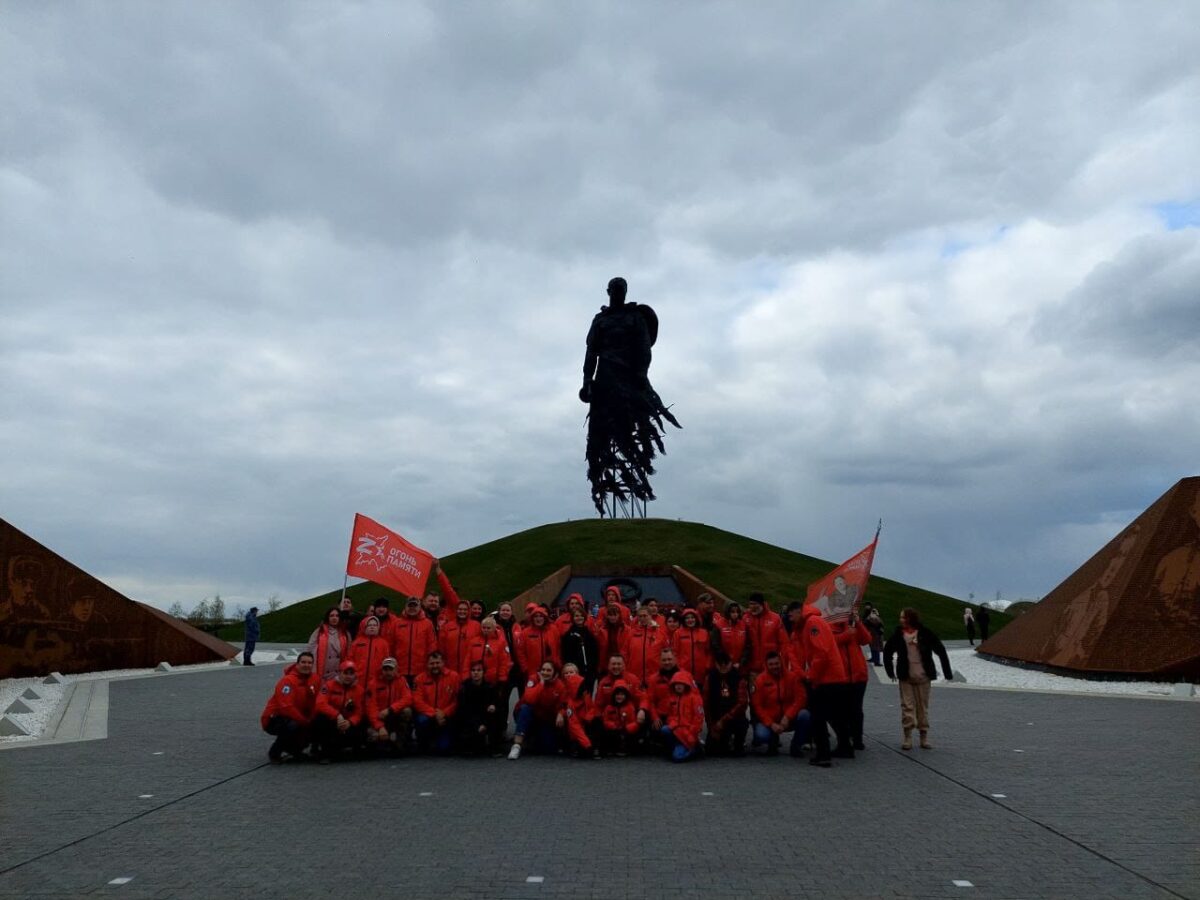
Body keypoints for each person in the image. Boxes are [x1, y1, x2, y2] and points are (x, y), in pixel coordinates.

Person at [883, 607, 953, 751]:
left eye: (903, 617)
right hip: (905, 676)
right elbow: (887, 651)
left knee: (922, 707)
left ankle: (924, 736)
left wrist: (947, 673)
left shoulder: (925, 633)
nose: (900, 620)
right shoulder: (898, 634)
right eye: (900, 617)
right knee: (907, 707)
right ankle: (907, 736)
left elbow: (940, 650)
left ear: (910, 618)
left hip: (923, 676)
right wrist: (890, 671)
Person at [799, 604, 851, 767]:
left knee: (818, 717)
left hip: (826, 679)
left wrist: (811, 677)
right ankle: (845, 747)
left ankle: (823, 755)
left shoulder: (812, 623)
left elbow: (820, 653)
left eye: (791, 616)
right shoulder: (818, 621)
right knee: (835, 715)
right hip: (835, 677)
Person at [261, 651, 317, 762]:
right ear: (297, 664)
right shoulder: (287, 681)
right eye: (303, 662)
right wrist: (304, 721)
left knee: (315, 724)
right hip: (274, 718)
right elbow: (286, 707)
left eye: (310, 663)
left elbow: (316, 700)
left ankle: (294, 750)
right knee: (292, 725)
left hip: (298, 716)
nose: (306, 665)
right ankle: (275, 752)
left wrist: (312, 718)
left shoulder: (315, 679)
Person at [749, 651, 808, 757]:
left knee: (805, 715)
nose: (774, 666)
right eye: (771, 664)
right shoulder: (760, 680)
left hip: (788, 719)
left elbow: (801, 699)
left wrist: (788, 716)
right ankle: (773, 741)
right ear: (766, 665)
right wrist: (771, 723)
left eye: (776, 663)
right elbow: (757, 706)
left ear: (781, 662)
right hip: (770, 721)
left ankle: (796, 745)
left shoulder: (793, 677)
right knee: (761, 734)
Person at [509, 660, 567, 759]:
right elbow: (529, 699)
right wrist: (541, 683)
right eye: (543, 670)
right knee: (526, 708)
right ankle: (517, 744)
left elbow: (563, 704)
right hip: (525, 714)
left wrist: (561, 713)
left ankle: (531, 738)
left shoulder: (560, 685)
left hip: (544, 718)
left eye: (549, 670)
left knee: (548, 749)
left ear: (555, 673)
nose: (545, 672)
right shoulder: (533, 679)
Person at [312, 661, 366, 763]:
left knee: (363, 723)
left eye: (351, 673)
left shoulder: (359, 690)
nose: (348, 676)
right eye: (345, 673)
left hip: (347, 723)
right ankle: (324, 752)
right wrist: (337, 715)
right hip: (332, 720)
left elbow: (359, 712)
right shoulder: (328, 685)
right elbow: (320, 704)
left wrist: (349, 722)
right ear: (340, 673)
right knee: (320, 719)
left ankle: (351, 749)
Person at [833, 613, 872, 751]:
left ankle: (857, 738)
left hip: (858, 674)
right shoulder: (831, 625)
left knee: (856, 708)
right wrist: (846, 634)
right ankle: (845, 736)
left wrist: (858, 622)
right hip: (842, 675)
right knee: (843, 708)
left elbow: (866, 639)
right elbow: (831, 642)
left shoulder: (853, 625)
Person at [412, 651, 461, 754]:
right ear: (427, 664)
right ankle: (424, 742)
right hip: (428, 716)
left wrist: (444, 713)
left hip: (446, 718)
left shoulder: (454, 676)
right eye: (432, 663)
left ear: (443, 663)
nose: (435, 666)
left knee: (444, 749)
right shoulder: (419, 679)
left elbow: (457, 700)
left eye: (437, 663)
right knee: (421, 720)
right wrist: (435, 713)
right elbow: (417, 701)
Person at [703, 651, 749, 757]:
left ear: (731, 663)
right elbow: (706, 705)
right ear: (715, 664)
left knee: (742, 723)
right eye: (720, 664)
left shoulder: (739, 678)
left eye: (726, 663)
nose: (723, 666)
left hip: (733, 717)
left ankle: (738, 743)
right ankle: (726, 740)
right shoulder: (709, 678)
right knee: (711, 751)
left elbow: (742, 704)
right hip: (716, 718)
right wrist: (711, 727)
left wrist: (723, 721)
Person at [365, 657, 413, 755]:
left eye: (390, 669)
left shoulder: (401, 680)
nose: (388, 672)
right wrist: (380, 727)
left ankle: (399, 740)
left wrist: (390, 709)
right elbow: (371, 708)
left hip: (394, 716)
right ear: (381, 670)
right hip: (379, 719)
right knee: (373, 739)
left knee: (407, 711)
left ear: (396, 670)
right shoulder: (373, 683)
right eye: (385, 669)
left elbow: (408, 698)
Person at [457, 660, 504, 757]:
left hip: (486, 720)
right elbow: (464, 711)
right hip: (471, 721)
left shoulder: (490, 688)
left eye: (479, 670)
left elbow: (499, 705)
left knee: (496, 715)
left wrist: (493, 709)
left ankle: (494, 746)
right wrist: (477, 725)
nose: (476, 673)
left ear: (483, 673)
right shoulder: (465, 688)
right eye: (473, 670)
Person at [391, 596, 437, 686]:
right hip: (400, 671)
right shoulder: (396, 623)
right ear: (405, 607)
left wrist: (430, 665)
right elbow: (391, 645)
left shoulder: (427, 623)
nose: (412, 608)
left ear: (420, 607)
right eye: (410, 606)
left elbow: (432, 646)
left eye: (415, 606)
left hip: (421, 670)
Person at [660, 672, 704, 762]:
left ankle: (695, 748)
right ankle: (678, 746)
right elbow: (670, 716)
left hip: (689, 732)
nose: (678, 686)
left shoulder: (694, 698)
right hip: (677, 729)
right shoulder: (672, 698)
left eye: (681, 684)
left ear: (686, 684)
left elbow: (698, 719)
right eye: (676, 684)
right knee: (665, 729)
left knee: (678, 757)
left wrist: (691, 733)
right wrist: (673, 724)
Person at [514, 605, 560, 688]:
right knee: (534, 695)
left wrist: (558, 665)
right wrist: (525, 669)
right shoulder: (525, 633)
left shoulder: (553, 630)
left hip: (551, 670)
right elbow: (520, 652)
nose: (538, 619)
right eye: (536, 616)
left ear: (545, 617)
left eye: (541, 616)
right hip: (532, 671)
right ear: (532, 618)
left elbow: (558, 648)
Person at [560, 662, 599, 758]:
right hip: (572, 726)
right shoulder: (564, 693)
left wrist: (588, 718)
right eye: (566, 673)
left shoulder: (584, 692)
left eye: (571, 672)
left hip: (583, 723)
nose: (569, 675)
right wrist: (587, 745)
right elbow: (574, 724)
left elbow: (592, 708)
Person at [745, 592, 784, 682]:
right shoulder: (745, 618)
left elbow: (784, 643)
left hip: (771, 667)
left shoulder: (775, 618)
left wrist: (782, 664)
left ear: (762, 604)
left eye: (755, 604)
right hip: (752, 669)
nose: (752, 607)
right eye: (750, 604)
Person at [626, 604, 667, 685]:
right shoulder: (631, 634)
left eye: (645, 616)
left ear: (650, 616)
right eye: (640, 616)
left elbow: (666, 653)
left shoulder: (660, 633)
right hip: (635, 676)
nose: (642, 618)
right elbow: (625, 653)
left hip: (654, 676)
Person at [559, 609, 600, 689]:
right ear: (573, 618)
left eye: (581, 616)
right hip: (575, 670)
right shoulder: (568, 635)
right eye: (577, 616)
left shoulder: (589, 633)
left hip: (589, 671)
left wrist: (593, 667)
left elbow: (594, 652)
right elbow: (565, 653)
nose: (579, 618)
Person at [348, 616, 390, 691]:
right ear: (364, 627)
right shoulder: (356, 643)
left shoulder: (383, 644)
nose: (372, 627)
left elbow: (386, 662)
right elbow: (350, 660)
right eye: (369, 625)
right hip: (358, 679)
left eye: (374, 625)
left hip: (376, 680)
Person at [599, 681, 640, 757]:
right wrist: (613, 726)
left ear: (626, 696)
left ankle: (626, 749)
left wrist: (627, 728)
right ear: (613, 695)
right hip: (614, 730)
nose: (619, 696)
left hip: (625, 730)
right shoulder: (609, 707)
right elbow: (605, 720)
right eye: (617, 694)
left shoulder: (630, 707)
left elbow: (634, 721)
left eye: (622, 694)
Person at [672, 607, 712, 685]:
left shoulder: (704, 632)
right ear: (683, 620)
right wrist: (679, 668)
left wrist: (707, 666)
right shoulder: (678, 633)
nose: (690, 620)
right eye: (687, 618)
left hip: (701, 671)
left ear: (696, 619)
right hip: (684, 671)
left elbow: (709, 651)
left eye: (692, 617)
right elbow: (674, 652)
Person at [307, 607, 349, 682]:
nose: (334, 618)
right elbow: (310, 650)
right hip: (322, 672)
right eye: (331, 615)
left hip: (337, 674)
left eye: (337, 616)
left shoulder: (345, 633)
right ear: (327, 617)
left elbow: (348, 653)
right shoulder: (319, 631)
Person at [594, 601, 630, 673]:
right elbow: (599, 648)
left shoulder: (627, 630)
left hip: (621, 663)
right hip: (606, 664)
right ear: (607, 616)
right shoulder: (601, 630)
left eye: (615, 615)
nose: (612, 617)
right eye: (610, 615)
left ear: (619, 615)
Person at [714, 602, 749, 670]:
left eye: (737, 612)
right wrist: (725, 661)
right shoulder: (719, 625)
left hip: (739, 665)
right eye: (732, 612)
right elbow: (715, 645)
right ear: (727, 612)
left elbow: (747, 645)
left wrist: (741, 662)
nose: (735, 614)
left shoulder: (743, 625)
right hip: (724, 665)